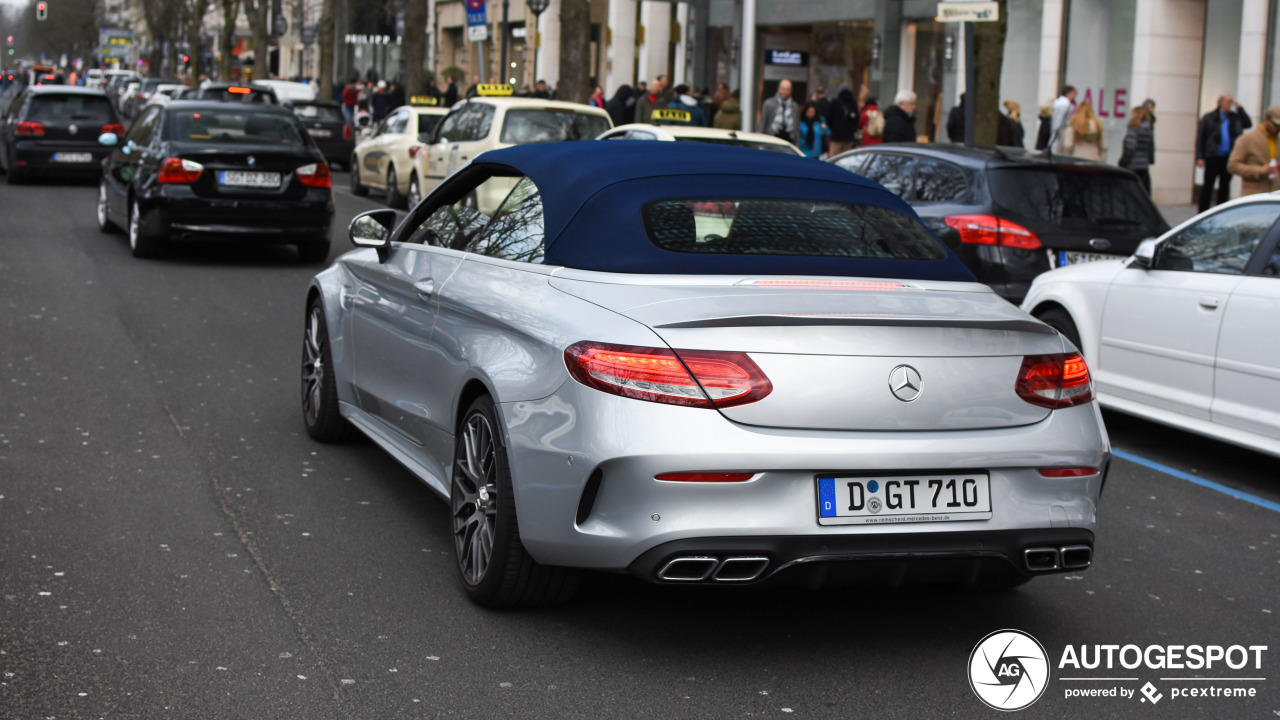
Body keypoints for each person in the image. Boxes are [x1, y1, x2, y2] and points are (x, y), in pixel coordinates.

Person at [1196, 94, 1253, 211]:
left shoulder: (1234, 117)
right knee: (1208, 186)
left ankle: (1220, 211)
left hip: (1228, 157)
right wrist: (1199, 157)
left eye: (1230, 102)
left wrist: (1238, 107)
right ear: (1221, 102)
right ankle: (1202, 212)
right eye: (1227, 102)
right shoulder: (1209, 117)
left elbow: (1248, 123)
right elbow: (1200, 138)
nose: (1229, 104)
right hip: (1212, 156)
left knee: (1225, 187)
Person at [1227, 106, 1280, 197]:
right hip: (1253, 197)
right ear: (1266, 119)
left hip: (1274, 197)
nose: (1277, 128)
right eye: (1275, 125)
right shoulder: (1247, 139)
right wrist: (1260, 170)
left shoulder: (1278, 141)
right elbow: (1232, 166)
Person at [1119, 106, 1156, 194]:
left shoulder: (1134, 127)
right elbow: (1151, 147)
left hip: (1132, 165)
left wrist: (1123, 162)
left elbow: (1130, 146)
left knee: (1130, 193)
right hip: (1144, 166)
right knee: (1143, 194)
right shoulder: (1149, 129)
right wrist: (1150, 160)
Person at [757, 79, 799, 144]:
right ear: (779, 89)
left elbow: (796, 126)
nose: (784, 92)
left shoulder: (794, 106)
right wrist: (759, 140)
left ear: (790, 91)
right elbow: (763, 123)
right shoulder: (769, 103)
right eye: (783, 89)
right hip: (772, 138)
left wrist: (797, 143)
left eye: (787, 89)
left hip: (789, 139)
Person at [827, 84, 858, 154]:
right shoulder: (853, 102)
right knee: (847, 159)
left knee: (834, 158)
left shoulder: (835, 102)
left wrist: (833, 129)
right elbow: (857, 119)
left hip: (837, 136)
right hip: (849, 136)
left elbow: (829, 118)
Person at [1050, 85, 1077, 153]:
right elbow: (1058, 123)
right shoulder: (1064, 105)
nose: (1075, 96)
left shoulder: (1062, 104)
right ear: (1069, 94)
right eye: (1074, 93)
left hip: (1059, 135)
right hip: (1059, 135)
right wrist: (1057, 133)